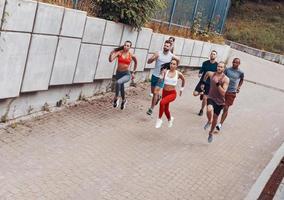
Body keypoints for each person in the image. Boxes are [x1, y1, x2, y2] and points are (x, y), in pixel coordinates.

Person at [146, 40, 179, 116]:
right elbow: (148, 61)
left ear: (170, 47)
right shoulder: (158, 53)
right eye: (165, 45)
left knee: (155, 92)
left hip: (162, 77)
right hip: (154, 75)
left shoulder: (171, 56)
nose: (165, 47)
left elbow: (178, 60)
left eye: (167, 46)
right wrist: (153, 58)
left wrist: (174, 70)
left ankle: (151, 109)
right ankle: (158, 97)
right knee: (153, 92)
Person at [201, 62, 229, 143]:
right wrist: (203, 83)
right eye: (218, 66)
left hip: (220, 101)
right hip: (211, 97)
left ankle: (210, 133)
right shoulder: (211, 74)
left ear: (224, 69)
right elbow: (206, 74)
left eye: (221, 67)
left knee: (215, 119)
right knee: (209, 109)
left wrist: (217, 84)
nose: (219, 68)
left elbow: (223, 92)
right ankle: (209, 121)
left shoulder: (226, 79)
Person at [155, 58, 185, 128]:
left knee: (162, 103)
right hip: (164, 92)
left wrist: (181, 89)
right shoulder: (166, 72)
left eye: (174, 64)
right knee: (165, 109)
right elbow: (160, 81)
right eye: (171, 63)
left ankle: (159, 119)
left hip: (172, 93)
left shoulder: (178, 73)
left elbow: (183, 79)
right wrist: (161, 75)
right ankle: (170, 119)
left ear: (176, 66)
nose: (172, 65)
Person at [216, 58, 244, 131]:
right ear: (232, 62)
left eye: (237, 63)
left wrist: (238, 87)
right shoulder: (227, 70)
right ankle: (215, 118)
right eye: (234, 62)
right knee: (219, 106)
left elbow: (242, 79)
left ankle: (220, 124)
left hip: (232, 92)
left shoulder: (240, 72)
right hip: (224, 90)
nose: (235, 64)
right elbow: (222, 76)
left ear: (239, 64)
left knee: (226, 107)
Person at [109, 40, 138, 110]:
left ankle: (116, 98)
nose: (126, 46)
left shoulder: (131, 55)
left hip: (126, 74)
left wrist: (133, 72)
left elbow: (136, 63)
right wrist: (111, 54)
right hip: (118, 73)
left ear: (130, 47)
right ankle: (124, 100)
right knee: (121, 88)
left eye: (128, 45)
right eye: (125, 45)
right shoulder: (119, 53)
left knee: (118, 82)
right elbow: (110, 60)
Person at [193, 50, 218, 116]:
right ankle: (201, 93)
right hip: (203, 81)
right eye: (211, 54)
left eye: (214, 54)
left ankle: (201, 110)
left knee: (205, 98)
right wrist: (200, 73)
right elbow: (201, 70)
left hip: (210, 84)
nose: (212, 55)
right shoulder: (205, 63)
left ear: (216, 56)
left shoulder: (217, 65)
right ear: (210, 55)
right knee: (195, 94)